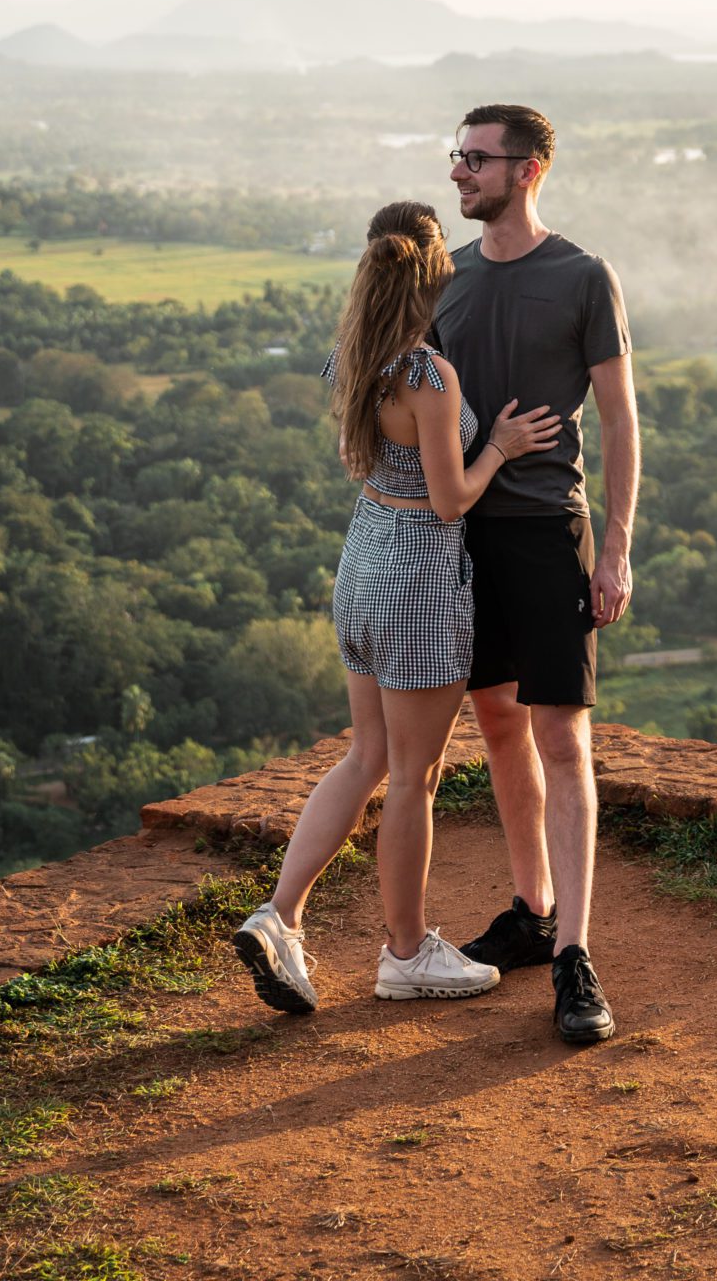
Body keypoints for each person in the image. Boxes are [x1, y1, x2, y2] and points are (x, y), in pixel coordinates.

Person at [232, 200, 562, 1014]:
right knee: (413, 777)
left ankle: (280, 914)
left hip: (364, 561)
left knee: (365, 755)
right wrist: (500, 446)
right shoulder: (426, 376)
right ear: (433, 275)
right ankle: (406, 954)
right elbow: (452, 500)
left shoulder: (353, 359)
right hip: (417, 571)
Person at [433, 104, 640, 1046]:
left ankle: (574, 956)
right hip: (463, 535)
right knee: (498, 727)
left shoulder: (583, 276)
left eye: (474, 159)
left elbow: (620, 419)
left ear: (528, 171)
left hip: (549, 530)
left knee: (561, 737)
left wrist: (617, 545)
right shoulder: (446, 277)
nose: (458, 173)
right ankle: (531, 909)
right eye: (457, 157)